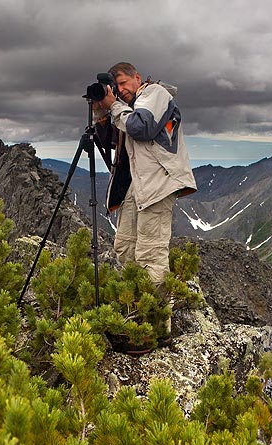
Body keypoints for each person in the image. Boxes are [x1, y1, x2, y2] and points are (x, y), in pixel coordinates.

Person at [97, 62, 194, 283]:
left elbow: (142, 127)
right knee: (124, 247)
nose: (121, 90)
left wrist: (113, 106)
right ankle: (137, 305)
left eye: (123, 83)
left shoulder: (155, 93)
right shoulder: (130, 109)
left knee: (150, 256)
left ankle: (157, 315)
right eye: (116, 86)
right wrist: (101, 114)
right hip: (138, 186)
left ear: (137, 78)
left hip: (158, 185)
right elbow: (110, 141)